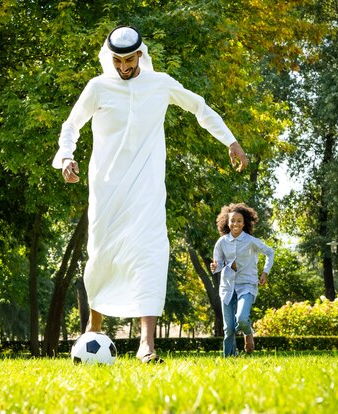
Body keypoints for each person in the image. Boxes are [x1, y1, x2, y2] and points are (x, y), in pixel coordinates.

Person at [53, 26, 248, 363]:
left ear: (140, 55)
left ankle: (147, 345)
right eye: (117, 60)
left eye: (129, 60)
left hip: (146, 188)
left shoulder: (160, 84)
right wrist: (66, 156)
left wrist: (230, 140)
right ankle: (93, 328)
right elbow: (71, 125)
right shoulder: (98, 87)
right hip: (106, 188)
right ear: (110, 57)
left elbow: (199, 108)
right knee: (102, 253)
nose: (124, 67)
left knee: (151, 253)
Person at [210, 203, 274, 357]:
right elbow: (218, 265)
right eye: (232, 220)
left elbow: (270, 252)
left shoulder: (251, 241)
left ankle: (248, 333)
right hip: (227, 286)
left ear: (244, 223)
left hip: (247, 284)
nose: (235, 224)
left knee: (242, 318)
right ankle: (230, 359)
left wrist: (265, 272)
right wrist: (215, 267)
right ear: (227, 222)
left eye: (239, 221)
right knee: (229, 328)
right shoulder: (222, 242)